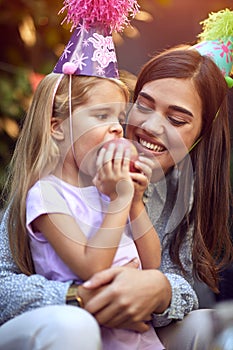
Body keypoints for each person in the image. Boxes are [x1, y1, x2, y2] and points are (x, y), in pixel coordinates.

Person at [1, 8, 233, 350]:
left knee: (210, 325)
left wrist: (161, 288)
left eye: (178, 120)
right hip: (61, 322)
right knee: (73, 326)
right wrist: (79, 296)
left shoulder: (169, 192)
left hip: (132, 333)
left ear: (199, 138)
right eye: (143, 104)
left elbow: (164, 270)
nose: (151, 127)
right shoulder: (54, 188)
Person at [8, 69, 162, 349]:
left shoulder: (105, 189)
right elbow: (92, 268)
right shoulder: (47, 194)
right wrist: (119, 202)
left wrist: (135, 202)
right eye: (102, 116)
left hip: (138, 339)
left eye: (118, 118)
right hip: (86, 337)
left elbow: (152, 264)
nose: (117, 128)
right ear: (57, 127)